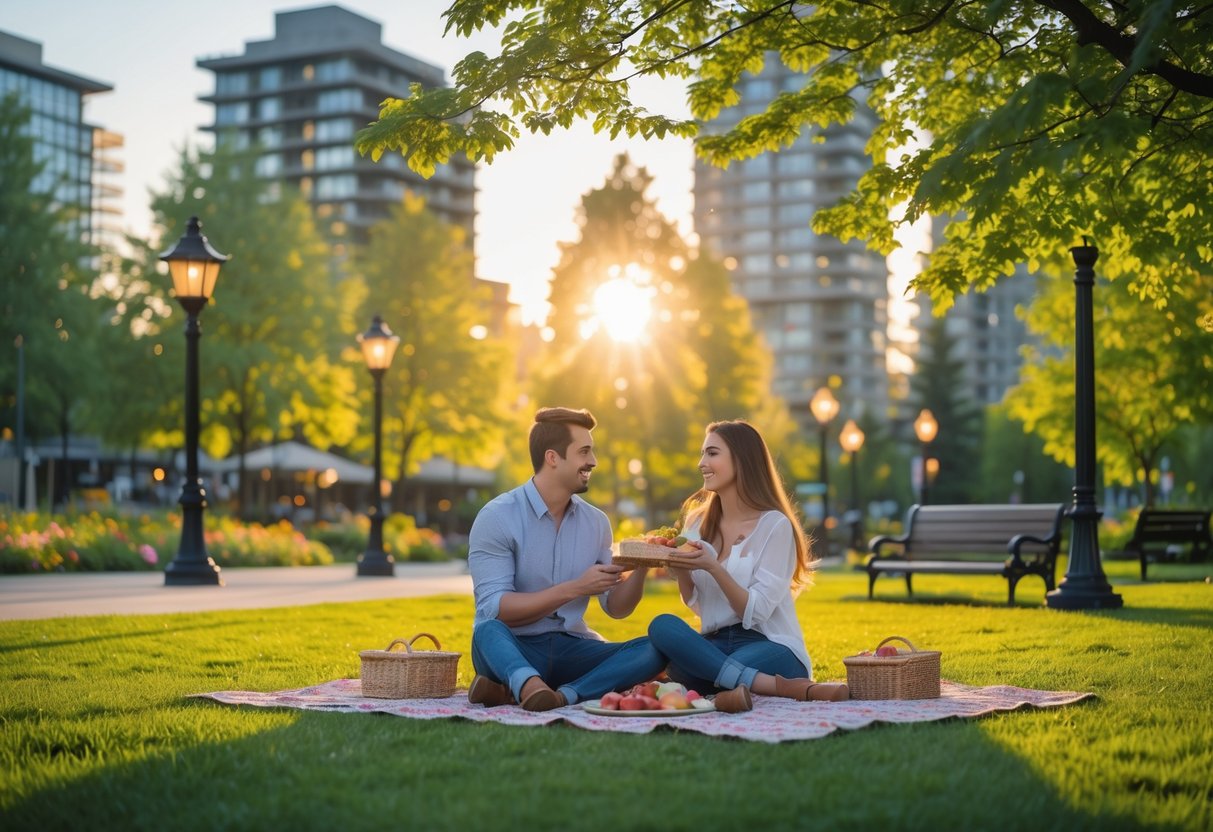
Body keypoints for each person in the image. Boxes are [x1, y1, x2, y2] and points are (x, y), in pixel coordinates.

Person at [466, 407, 665, 711]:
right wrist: (575, 588)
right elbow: (497, 609)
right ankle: (529, 684)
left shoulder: (596, 522)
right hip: (515, 644)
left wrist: (640, 567)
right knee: (486, 631)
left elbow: (616, 608)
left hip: (572, 648)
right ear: (552, 457)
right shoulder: (497, 517)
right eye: (584, 451)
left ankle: (551, 694)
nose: (593, 461)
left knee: (654, 649)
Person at [647, 419, 849, 712]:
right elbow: (695, 603)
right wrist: (681, 569)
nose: (702, 462)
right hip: (714, 644)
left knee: (693, 671)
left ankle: (726, 684)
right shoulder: (697, 522)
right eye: (703, 453)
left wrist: (714, 567)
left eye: (712, 453)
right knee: (662, 626)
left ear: (741, 460)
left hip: (769, 644)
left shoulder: (774, 526)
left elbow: (755, 613)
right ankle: (763, 686)